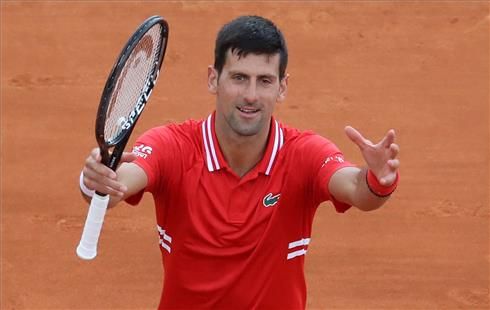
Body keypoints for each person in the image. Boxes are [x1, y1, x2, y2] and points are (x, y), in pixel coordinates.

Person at [80, 15, 400, 309]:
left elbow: (358, 190)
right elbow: (121, 181)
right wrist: (96, 181)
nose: (250, 95)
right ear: (213, 79)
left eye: (264, 81)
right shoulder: (172, 146)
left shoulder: (306, 153)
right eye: (238, 78)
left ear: (282, 87)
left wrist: (377, 179)